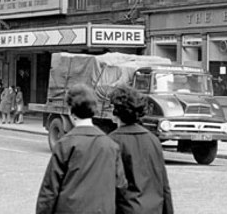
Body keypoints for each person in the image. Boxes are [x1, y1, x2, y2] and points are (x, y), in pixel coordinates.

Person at [36, 84, 127, 214]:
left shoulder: (64, 145)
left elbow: (49, 191)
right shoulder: (111, 145)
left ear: (70, 112)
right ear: (94, 111)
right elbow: (121, 187)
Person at [109, 85, 174, 214]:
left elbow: (110, 186)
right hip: (154, 208)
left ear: (115, 110)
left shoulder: (112, 142)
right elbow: (163, 184)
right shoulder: (153, 140)